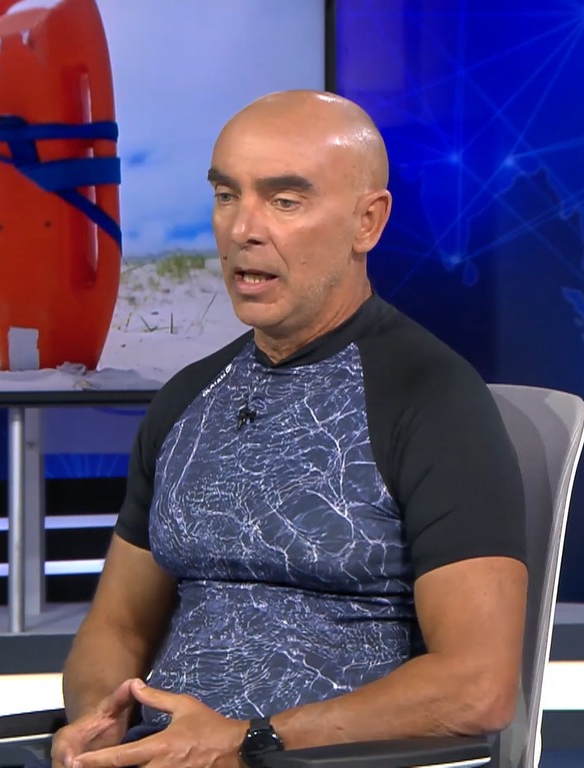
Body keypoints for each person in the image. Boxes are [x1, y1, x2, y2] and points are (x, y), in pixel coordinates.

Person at [53, 90, 528, 768]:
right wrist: (97, 719)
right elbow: (116, 628)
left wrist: (248, 741)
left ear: (367, 222)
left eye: (284, 201)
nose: (243, 229)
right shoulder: (187, 400)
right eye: (226, 196)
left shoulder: (433, 400)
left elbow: (476, 687)